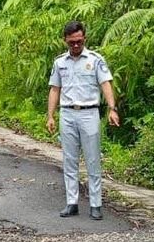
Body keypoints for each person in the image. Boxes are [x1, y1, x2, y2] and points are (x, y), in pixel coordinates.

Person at [47, 20, 120, 220]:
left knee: (92, 159)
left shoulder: (95, 60)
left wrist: (112, 109)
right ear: (65, 41)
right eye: (72, 42)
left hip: (89, 113)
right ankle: (72, 203)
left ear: (84, 38)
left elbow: (106, 84)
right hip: (68, 113)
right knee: (69, 159)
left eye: (79, 41)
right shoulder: (60, 62)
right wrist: (51, 116)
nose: (76, 45)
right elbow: (55, 89)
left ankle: (95, 204)